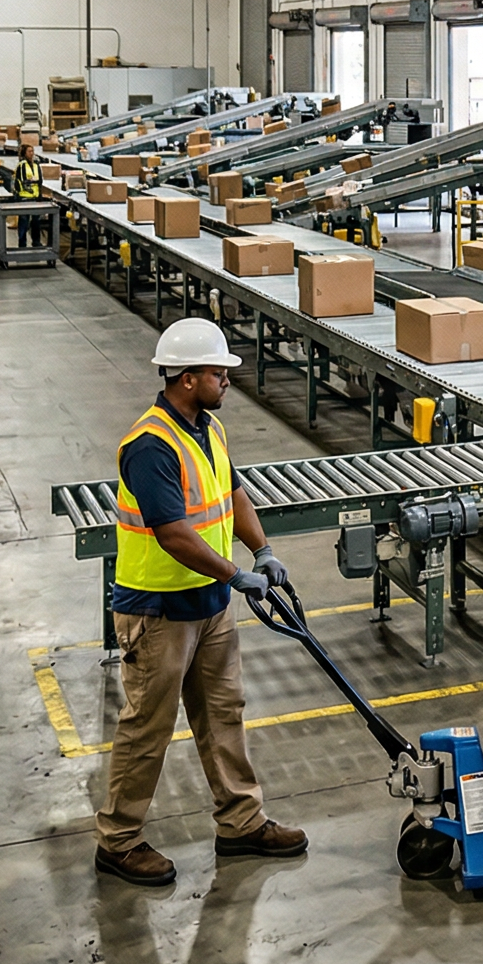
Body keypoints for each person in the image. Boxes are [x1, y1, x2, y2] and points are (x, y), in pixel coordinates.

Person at [96, 317, 310, 886]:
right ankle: (118, 841)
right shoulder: (149, 446)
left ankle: (241, 822)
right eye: (219, 373)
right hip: (159, 611)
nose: (227, 381)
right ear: (187, 378)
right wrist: (237, 573)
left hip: (211, 605)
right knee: (148, 727)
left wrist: (262, 551)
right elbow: (173, 533)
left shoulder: (207, 430)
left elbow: (233, 493)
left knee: (223, 714)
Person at [7, 135, 52, 247]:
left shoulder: (36, 165)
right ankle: (22, 243)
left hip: (35, 197)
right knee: (24, 221)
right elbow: (23, 181)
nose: (32, 153)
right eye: (29, 151)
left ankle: (36, 242)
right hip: (24, 197)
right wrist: (32, 182)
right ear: (24, 153)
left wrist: (38, 192)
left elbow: (40, 180)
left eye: (32, 151)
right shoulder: (21, 165)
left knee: (36, 221)